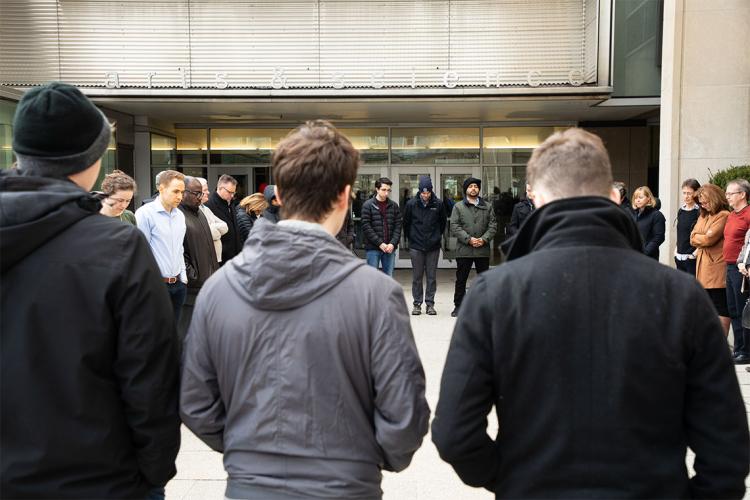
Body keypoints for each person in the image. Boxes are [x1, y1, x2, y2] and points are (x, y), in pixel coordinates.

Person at [431, 128, 750, 499]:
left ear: (535, 199)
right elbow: (727, 449)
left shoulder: (495, 295)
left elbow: (454, 433)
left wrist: (512, 480)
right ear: (614, 197)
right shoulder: (680, 296)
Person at [180, 120, 429, 500]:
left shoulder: (219, 289)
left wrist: (250, 454)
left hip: (250, 486)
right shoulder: (376, 294)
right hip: (346, 486)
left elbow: (196, 403)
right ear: (345, 196)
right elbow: (405, 418)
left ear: (279, 194)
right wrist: (356, 461)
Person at [0, 82, 179, 498]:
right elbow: (150, 378)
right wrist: (153, 474)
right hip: (98, 478)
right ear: (93, 158)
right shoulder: (117, 246)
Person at [135, 169, 188, 323]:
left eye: (182, 192)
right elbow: (141, 253)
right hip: (155, 286)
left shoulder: (180, 215)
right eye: (176, 191)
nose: (180, 196)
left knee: (174, 336)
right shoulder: (145, 214)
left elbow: (180, 248)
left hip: (178, 284)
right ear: (161, 188)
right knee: (154, 337)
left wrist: (183, 278)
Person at [178, 176, 219, 340]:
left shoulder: (200, 213)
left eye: (201, 194)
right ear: (184, 192)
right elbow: (179, 252)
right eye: (196, 193)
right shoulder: (178, 215)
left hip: (206, 285)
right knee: (186, 335)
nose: (200, 198)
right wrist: (192, 276)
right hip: (191, 289)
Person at [449, 176, 497, 317]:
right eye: (470, 186)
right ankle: (459, 306)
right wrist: (469, 239)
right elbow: (454, 226)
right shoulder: (458, 207)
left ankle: (484, 307)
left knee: (484, 280)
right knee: (461, 280)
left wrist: (483, 239)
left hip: (482, 250)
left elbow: (493, 225)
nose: (473, 188)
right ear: (466, 190)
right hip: (464, 250)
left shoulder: (487, 206)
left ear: (479, 189)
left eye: (476, 186)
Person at [690, 184, 731, 335]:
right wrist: (700, 236)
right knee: (707, 305)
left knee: (720, 305)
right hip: (702, 267)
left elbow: (709, 239)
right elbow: (692, 237)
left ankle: (721, 342)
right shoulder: (704, 215)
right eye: (701, 202)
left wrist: (699, 237)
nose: (703, 204)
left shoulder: (723, 215)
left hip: (716, 268)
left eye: (705, 201)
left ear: (714, 199)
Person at [402, 175, 446, 315]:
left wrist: (436, 236)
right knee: (417, 276)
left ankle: (430, 304)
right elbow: (406, 223)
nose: (425, 195)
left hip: (433, 246)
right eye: (423, 192)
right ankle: (417, 304)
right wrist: (412, 238)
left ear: (431, 191)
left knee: (432, 276)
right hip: (416, 246)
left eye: (427, 192)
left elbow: (443, 223)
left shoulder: (438, 204)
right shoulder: (411, 204)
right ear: (419, 191)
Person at [723, 178, 750, 364]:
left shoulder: (748, 215)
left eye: (730, 193)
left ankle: (746, 352)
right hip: (729, 267)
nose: (727, 197)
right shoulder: (732, 215)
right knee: (733, 310)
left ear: (742, 194)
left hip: (742, 269)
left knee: (743, 310)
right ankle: (738, 349)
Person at [361, 177, 402, 276]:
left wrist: (392, 243)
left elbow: (398, 226)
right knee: (372, 277)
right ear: (377, 189)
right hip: (373, 248)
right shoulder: (368, 205)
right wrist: (380, 243)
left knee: (388, 277)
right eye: (384, 190)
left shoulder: (394, 206)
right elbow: (366, 227)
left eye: (388, 190)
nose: (386, 193)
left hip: (389, 248)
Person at [204, 174, 242, 263]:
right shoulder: (208, 206)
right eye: (229, 192)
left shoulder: (231, 203)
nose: (232, 195)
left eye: (234, 192)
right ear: (220, 188)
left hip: (235, 257)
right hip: (221, 259)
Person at [197, 177, 228, 264]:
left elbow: (225, 226)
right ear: (197, 191)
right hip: (205, 258)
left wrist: (212, 227)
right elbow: (206, 231)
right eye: (205, 190)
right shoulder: (194, 210)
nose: (208, 192)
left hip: (215, 258)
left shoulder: (206, 209)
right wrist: (212, 229)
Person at [631, 186, 666, 259]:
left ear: (648, 199)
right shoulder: (633, 214)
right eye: (636, 198)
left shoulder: (657, 215)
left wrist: (645, 252)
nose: (637, 200)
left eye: (640, 197)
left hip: (649, 257)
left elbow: (659, 237)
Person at [675, 178, 701, 274]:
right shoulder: (681, 211)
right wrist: (676, 251)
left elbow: (703, 234)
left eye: (689, 193)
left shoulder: (700, 212)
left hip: (692, 258)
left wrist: (694, 254)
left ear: (696, 193)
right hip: (679, 256)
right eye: (684, 193)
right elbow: (680, 233)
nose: (686, 196)